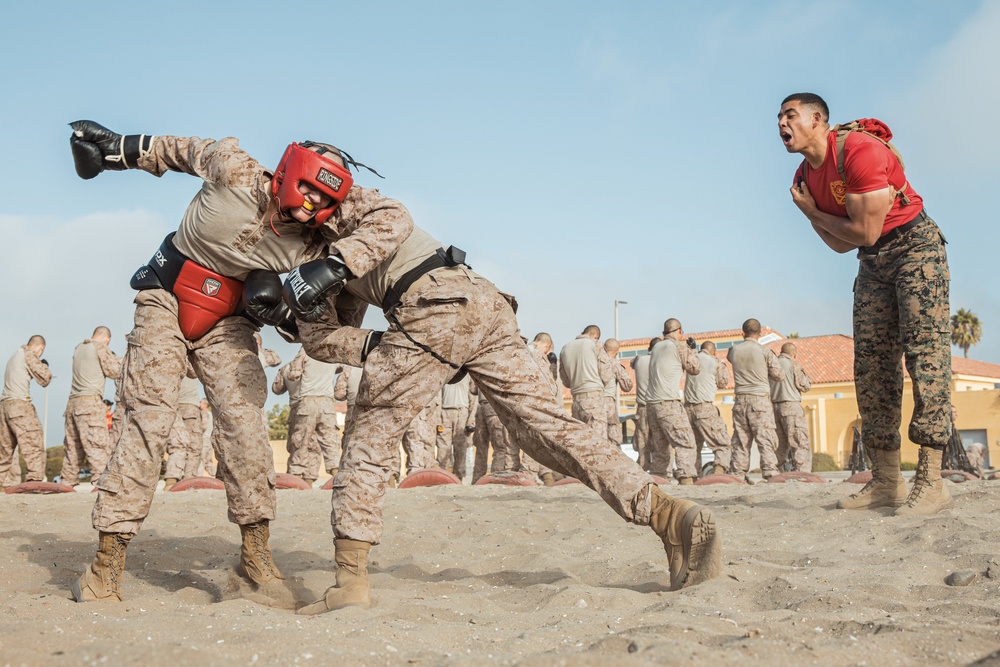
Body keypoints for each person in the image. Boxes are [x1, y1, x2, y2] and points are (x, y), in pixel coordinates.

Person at [284, 183, 721, 615]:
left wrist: (339, 266)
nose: (312, 203)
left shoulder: (346, 213)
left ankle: (350, 583)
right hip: (484, 303)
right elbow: (325, 337)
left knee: (368, 441)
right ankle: (668, 514)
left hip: (433, 302)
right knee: (546, 429)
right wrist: (312, 320)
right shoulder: (314, 248)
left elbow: (394, 219)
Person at [65, 120, 373, 602]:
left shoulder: (315, 245)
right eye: (309, 188)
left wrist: (290, 311)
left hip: (230, 323)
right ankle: (106, 562)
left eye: (325, 198)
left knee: (245, 428)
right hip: (166, 298)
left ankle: (255, 557)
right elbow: (178, 150)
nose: (313, 202)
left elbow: (314, 324)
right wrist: (119, 150)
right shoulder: (234, 168)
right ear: (289, 171)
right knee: (147, 416)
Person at [780, 93, 953, 515]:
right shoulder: (805, 175)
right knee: (872, 366)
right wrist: (812, 213)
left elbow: (866, 230)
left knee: (925, 356)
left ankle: (932, 481)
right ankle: (886, 482)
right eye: (778, 117)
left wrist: (811, 213)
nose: (781, 124)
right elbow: (841, 244)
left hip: (915, 248)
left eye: (790, 114)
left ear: (818, 119)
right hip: (872, 263)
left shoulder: (860, 150)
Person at [60, 327, 122, 487]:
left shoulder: (79, 348)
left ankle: (67, 482)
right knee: (97, 445)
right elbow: (114, 371)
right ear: (107, 340)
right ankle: (100, 482)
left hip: (72, 403)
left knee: (73, 447)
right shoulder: (100, 348)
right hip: (90, 402)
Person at [274, 347, 342, 484]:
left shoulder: (303, 354)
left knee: (301, 443)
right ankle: (338, 478)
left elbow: (283, 384)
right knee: (330, 443)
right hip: (327, 403)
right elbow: (341, 367)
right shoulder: (331, 354)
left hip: (306, 402)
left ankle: (296, 480)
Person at [727, 319, 784, 482]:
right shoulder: (765, 351)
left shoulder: (733, 351)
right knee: (765, 437)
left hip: (740, 401)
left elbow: (730, 358)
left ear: (742, 332)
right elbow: (779, 375)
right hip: (759, 400)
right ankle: (769, 471)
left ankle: (737, 474)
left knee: (740, 439)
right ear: (760, 334)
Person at [645, 320, 701, 484]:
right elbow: (695, 368)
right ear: (680, 331)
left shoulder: (656, 348)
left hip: (652, 404)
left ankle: (659, 479)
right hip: (668, 402)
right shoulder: (679, 346)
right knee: (685, 442)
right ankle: (686, 479)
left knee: (660, 447)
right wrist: (693, 350)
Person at [0, 335, 52, 487]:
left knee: (4, 451)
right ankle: (34, 481)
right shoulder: (29, 354)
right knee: (33, 441)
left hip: (4, 406)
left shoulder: (14, 355)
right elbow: (45, 378)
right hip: (19, 404)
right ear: (40, 348)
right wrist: (44, 365)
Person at [684, 341, 731, 476]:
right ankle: (718, 471)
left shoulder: (693, 360)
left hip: (687, 410)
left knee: (693, 447)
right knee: (722, 443)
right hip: (704, 408)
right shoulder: (714, 361)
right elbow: (723, 383)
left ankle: (691, 476)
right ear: (714, 351)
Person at [559, 325, 612, 438]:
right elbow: (606, 374)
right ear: (595, 336)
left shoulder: (565, 348)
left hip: (576, 401)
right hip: (594, 398)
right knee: (599, 443)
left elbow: (565, 381)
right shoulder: (595, 344)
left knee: (582, 443)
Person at [769, 342, 813, 472]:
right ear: (794, 354)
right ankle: (802, 471)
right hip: (791, 406)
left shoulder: (772, 365)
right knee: (799, 442)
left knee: (779, 445)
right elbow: (805, 386)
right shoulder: (793, 364)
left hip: (773, 408)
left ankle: (777, 472)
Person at [162, 364, 203, 489]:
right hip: (188, 406)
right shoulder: (192, 358)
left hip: (170, 404)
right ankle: (187, 480)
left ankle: (175, 479)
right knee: (193, 446)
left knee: (175, 442)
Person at [437, 374, 476, 480]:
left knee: (460, 448)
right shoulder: (445, 373)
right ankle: (442, 476)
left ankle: (459, 477)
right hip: (444, 413)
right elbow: (437, 398)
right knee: (443, 448)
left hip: (462, 413)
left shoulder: (467, 375)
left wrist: (471, 421)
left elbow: (473, 399)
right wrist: (437, 419)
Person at [631, 337, 661, 472]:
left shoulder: (639, 360)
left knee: (642, 441)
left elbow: (632, 362)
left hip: (642, 407)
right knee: (660, 440)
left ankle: (643, 468)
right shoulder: (660, 361)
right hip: (657, 405)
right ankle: (660, 470)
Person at [602, 339, 634, 448]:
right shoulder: (614, 363)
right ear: (617, 352)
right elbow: (627, 386)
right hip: (608, 402)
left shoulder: (594, 362)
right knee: (613, 436)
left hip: (594, 401)